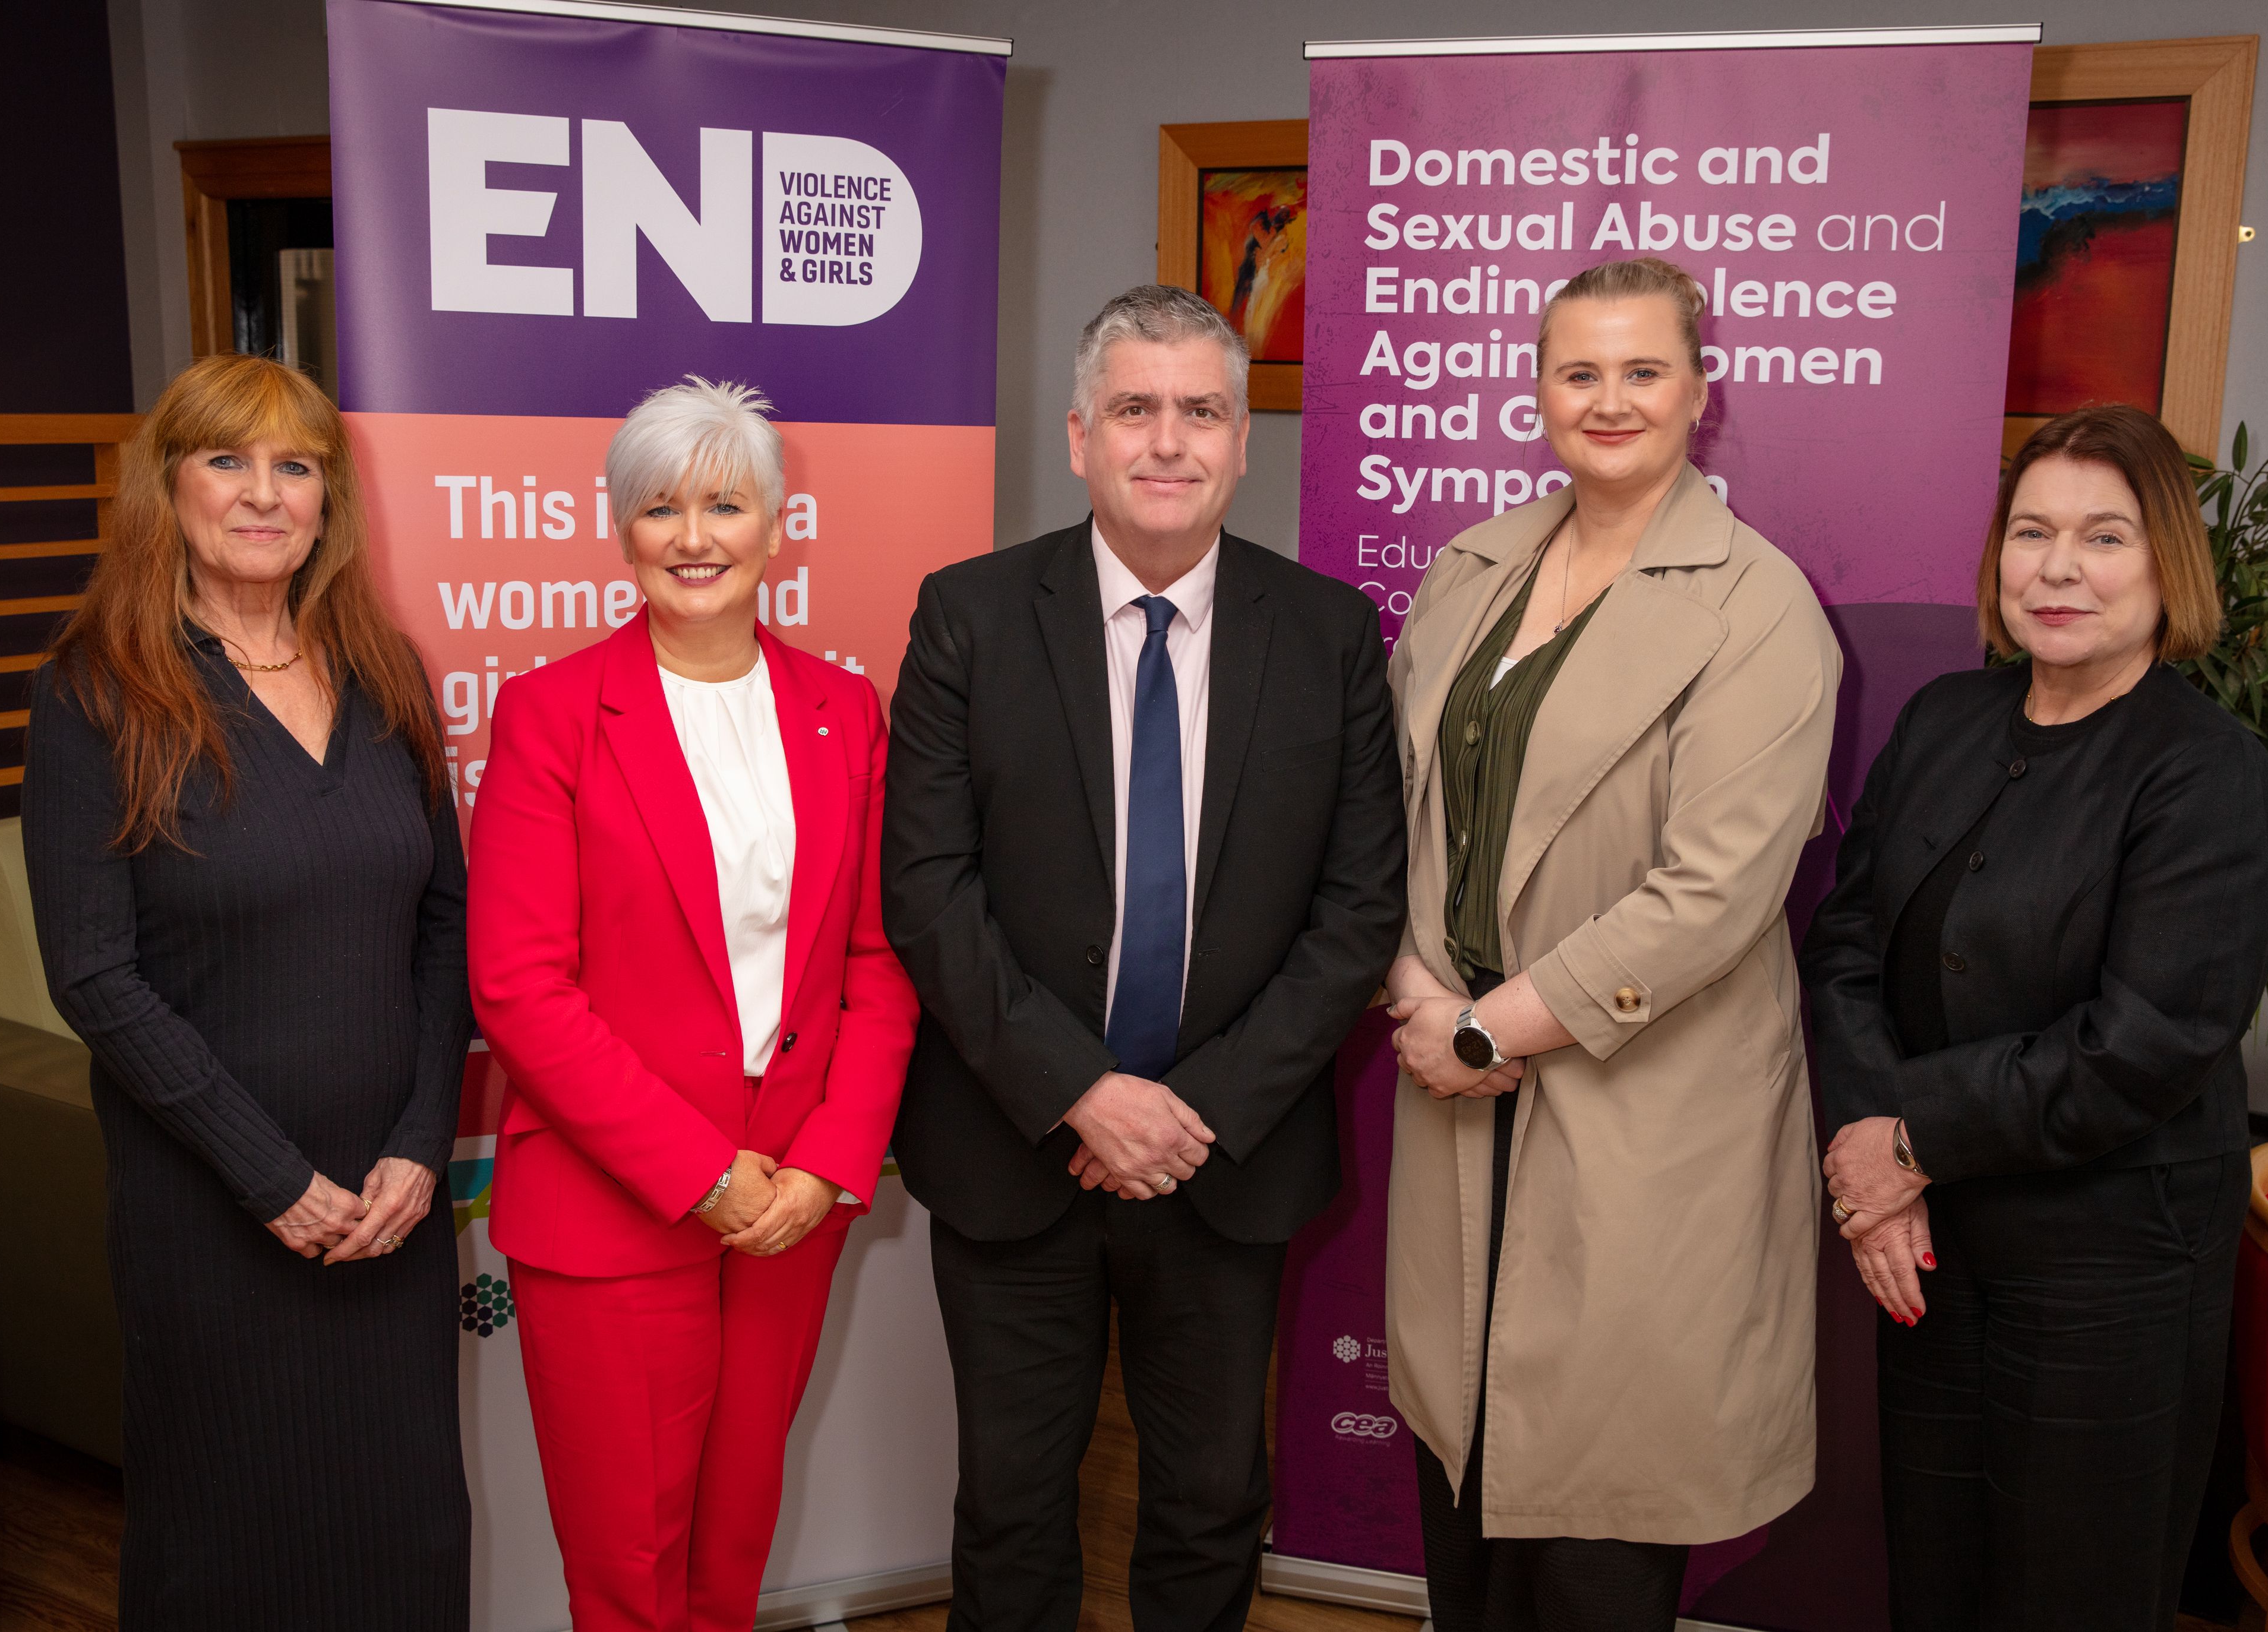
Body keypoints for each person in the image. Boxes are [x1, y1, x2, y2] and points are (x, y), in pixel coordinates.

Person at [883, 284, 1405, 1631]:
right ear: (1078, 437)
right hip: (1016, 1148)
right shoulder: (969, 617)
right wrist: (1080, 1091)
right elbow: (929, 891)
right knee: (1010, 1504)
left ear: (1243, 444)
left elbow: (1358, 912)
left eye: (1201, 412)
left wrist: (1195, 1114)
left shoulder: (1335, 637)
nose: (1167, 442)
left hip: (1227, 1156)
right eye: (1135, 410)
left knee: (1210, 1501)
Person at [1382, 256, 1841, 1631]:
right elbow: (1401, 811)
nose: (1610, 400)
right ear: (1537, 391)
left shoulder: (1759, 606)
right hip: (1460, 1100)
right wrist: (1411, 983)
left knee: (1591, 1541)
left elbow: (1714, 893)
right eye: (1578, 371)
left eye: (1643, 370)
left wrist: (1485, 1028)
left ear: (1702, 389)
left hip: (1636, 1106)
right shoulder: (1474, 569)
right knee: (1464, 1514)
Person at [1800, 403, 2268, 1631]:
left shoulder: (2210, 773)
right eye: (2032, 533)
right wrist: (1881, 1156)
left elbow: (2143, 1048)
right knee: (1937, 1569)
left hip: (2114, 1264)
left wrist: (1900, 1141)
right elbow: (1848, 949)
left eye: (2104, 537)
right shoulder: (1942, 723)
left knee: (2071, 1592)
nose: (2059, 567)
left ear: (2167, 564)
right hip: (1932, 1240)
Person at [23, 353, 470, 1629]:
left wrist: (421, 1148)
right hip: (213, 1220)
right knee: (232, 1549)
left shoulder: (389, 676)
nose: (264, 494)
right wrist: (270, 1180)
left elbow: (446, 925)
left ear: (329, 499)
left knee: (406, 1536)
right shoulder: (97, 692)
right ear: (168, 488)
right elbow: (92, 975)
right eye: (228, 460)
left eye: (297, 466)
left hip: (389, 1216)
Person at [467, 378, 917, 1632]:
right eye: (661, 508)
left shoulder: (845, 710)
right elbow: (518, 986)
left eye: (726, 503)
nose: (695, 535)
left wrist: (823, 1169)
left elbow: (881, 963)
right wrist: (703, 1172)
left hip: (790, 1206)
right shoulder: (553, 714)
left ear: (779, 525)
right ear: (623, 532)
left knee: (732, 1547)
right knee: (627, 1570)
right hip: (618, 1198)